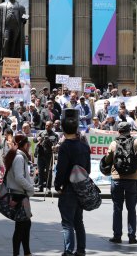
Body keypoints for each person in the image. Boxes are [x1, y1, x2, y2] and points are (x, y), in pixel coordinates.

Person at [104, 122, 137, 244]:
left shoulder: (113, 143)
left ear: (118, 131)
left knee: (117, 208)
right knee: (131, 209)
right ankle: (132, 236)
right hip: (132, 179)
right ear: (130, 130)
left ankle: (117, 236)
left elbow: (107, 160)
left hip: (117, 179)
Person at [55, 109, 90, 256]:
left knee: (67, 223)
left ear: (63, 128)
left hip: (68, 188)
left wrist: (58, 185)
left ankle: (68, 250)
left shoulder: (65, 147)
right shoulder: (83, 146)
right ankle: (81, 250)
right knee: (78, 221)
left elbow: (61, 169)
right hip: (81, 187)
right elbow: (88, 168)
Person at [4, 133, 35, 256]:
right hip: (19, 195)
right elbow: (19, 178)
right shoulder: (19, 158)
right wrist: (30, 188)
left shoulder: (18, 156)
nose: (29, 147)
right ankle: (17, 253)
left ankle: (27, 252)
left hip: (20, 194)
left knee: (25, 225)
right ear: (25, 145)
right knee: (21, 227)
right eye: (28, 144)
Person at [34, 121, 58, 193]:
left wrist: (48, 141)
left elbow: (55, 143)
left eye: (48, 126)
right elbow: (34, 140)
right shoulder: (41, 133)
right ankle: (40, 187)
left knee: (49, 172)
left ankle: (48, 188)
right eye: (46, 125)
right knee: (40, 172)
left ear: (51, 126)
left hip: (49, 156)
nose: (47, 127)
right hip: (41, 155)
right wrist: (38, 139)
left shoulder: (54, 135)